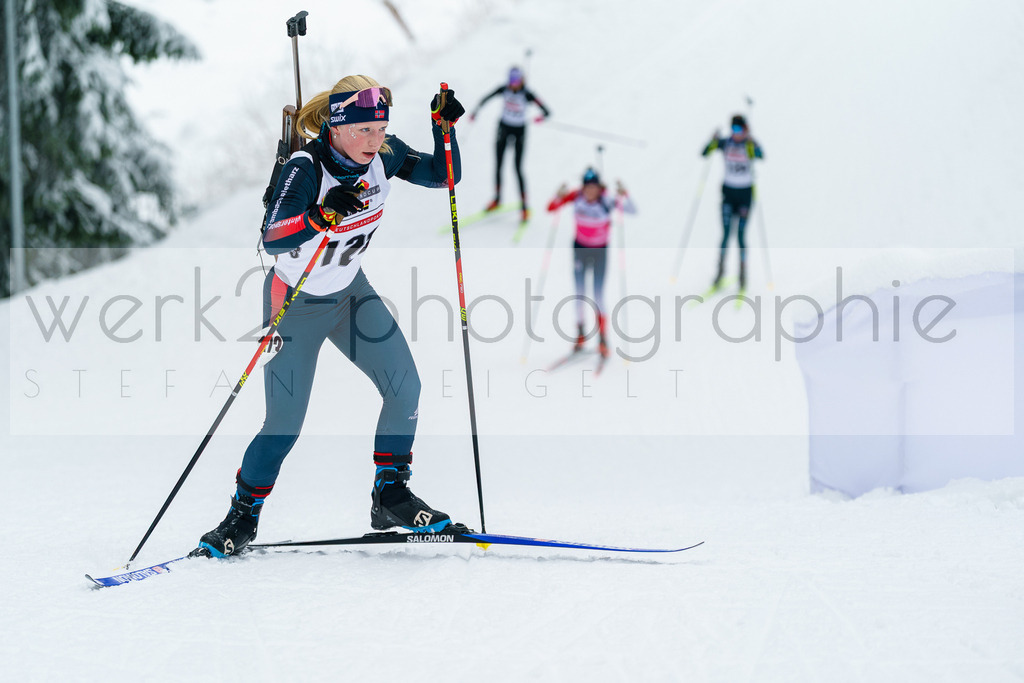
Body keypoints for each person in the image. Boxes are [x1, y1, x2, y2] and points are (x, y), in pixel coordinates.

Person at [197, 75, 466, 557]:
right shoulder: (306, 166)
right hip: (295, 302)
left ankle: (391, 495)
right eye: (363, 129)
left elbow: (442, 175)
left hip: (349, 295)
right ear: (337, 127)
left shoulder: (384, 155)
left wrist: (442, 128)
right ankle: (241, 517)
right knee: (284, 423)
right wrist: (320, 215)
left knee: (406, 386)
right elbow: (274, 236)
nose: (374, 139)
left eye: (380, 128)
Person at [546, 168, 636, 358]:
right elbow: (551, 208)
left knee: (598, 295)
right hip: (580, 250)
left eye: (593, 187)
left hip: (600, 252)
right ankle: (580, 334)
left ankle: (603, 339)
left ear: (598, 187)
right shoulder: (576, 197)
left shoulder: (607, 200)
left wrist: (624, 193)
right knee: (579, 293)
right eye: (587, 187)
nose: (590, 192)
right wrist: (558, 194)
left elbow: (631, 209)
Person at [469, 66, 551, 223]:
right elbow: (485, 98)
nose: (513, 83)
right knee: (498, 164)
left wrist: (541, 118)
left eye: (516, 80)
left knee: (517, 168)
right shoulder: (504, 89)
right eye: (511, 80)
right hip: (504, 128)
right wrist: (475, 112)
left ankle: (524, 207)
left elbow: (546, 111)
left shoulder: (527, 93)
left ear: (522, 80)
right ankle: (497, 199)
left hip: (519, 131)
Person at [701, 114, 764, 291]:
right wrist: (712, 140)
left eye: (739, 130)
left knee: (741, 236)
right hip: (728, 194)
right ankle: (720, 273)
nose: (735, 133)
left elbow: (761, 155)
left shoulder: (749, 144)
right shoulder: (726, 143)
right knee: (726, 234)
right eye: (733, 129)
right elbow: (705, 153)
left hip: (745, 195)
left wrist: (751, 141)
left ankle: (743, 276)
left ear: (745, 130)